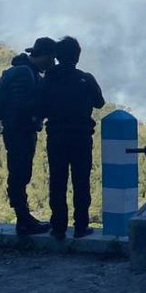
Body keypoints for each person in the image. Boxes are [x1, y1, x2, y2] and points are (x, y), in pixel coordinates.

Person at [0, 37, 56, 235]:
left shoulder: (25, 71)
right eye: (51, 59)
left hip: (18, 130)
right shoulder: (25, 75)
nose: (52, 63)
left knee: (20, 174)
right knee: (19, 174)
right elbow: (22, 105)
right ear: (44, 56)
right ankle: (23, 219)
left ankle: (24, 218)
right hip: (19, 132)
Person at [38, 36, 105, 240]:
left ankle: (58, 227)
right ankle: (80, 226)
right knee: (81, 181)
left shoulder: (48, 78)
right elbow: (100, 103)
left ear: (57, 56)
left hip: (56, 135)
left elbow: (39, 104)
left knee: (57, 181)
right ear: (77, 56)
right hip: (81, 136)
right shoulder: (85, 78)